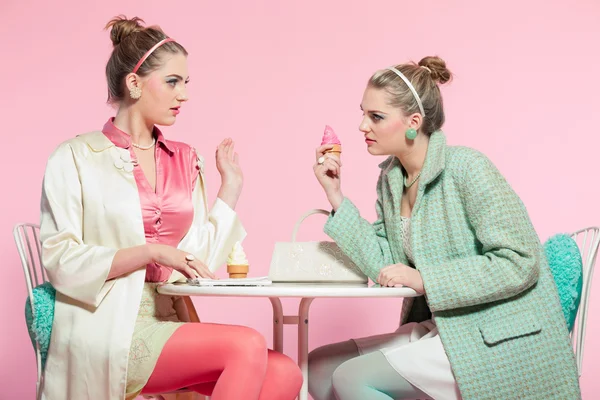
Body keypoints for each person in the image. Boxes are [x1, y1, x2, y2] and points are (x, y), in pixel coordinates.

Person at [39, 15, 302, 400]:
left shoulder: (184, 158)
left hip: (170, 316)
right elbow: (60, 258)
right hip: (106, 323)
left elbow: (195, 261)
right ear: (134, 83)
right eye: (173, 82)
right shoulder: (76, 156)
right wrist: (150, 252)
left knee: (285, 373)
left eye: (187, 83)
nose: (184, 95)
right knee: (245, 346)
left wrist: (230, 188)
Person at [309, 56, 581, 399]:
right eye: (362, 113)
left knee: (351, 378)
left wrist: (427, 280)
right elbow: (384, 263)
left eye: (376, 116)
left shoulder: (467, 168)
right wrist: (335, 195)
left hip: (493, 332)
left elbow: (520, 261)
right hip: (445, 326)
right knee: (318, 366)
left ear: (414, 122)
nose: (362, 126)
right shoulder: (390, 180)